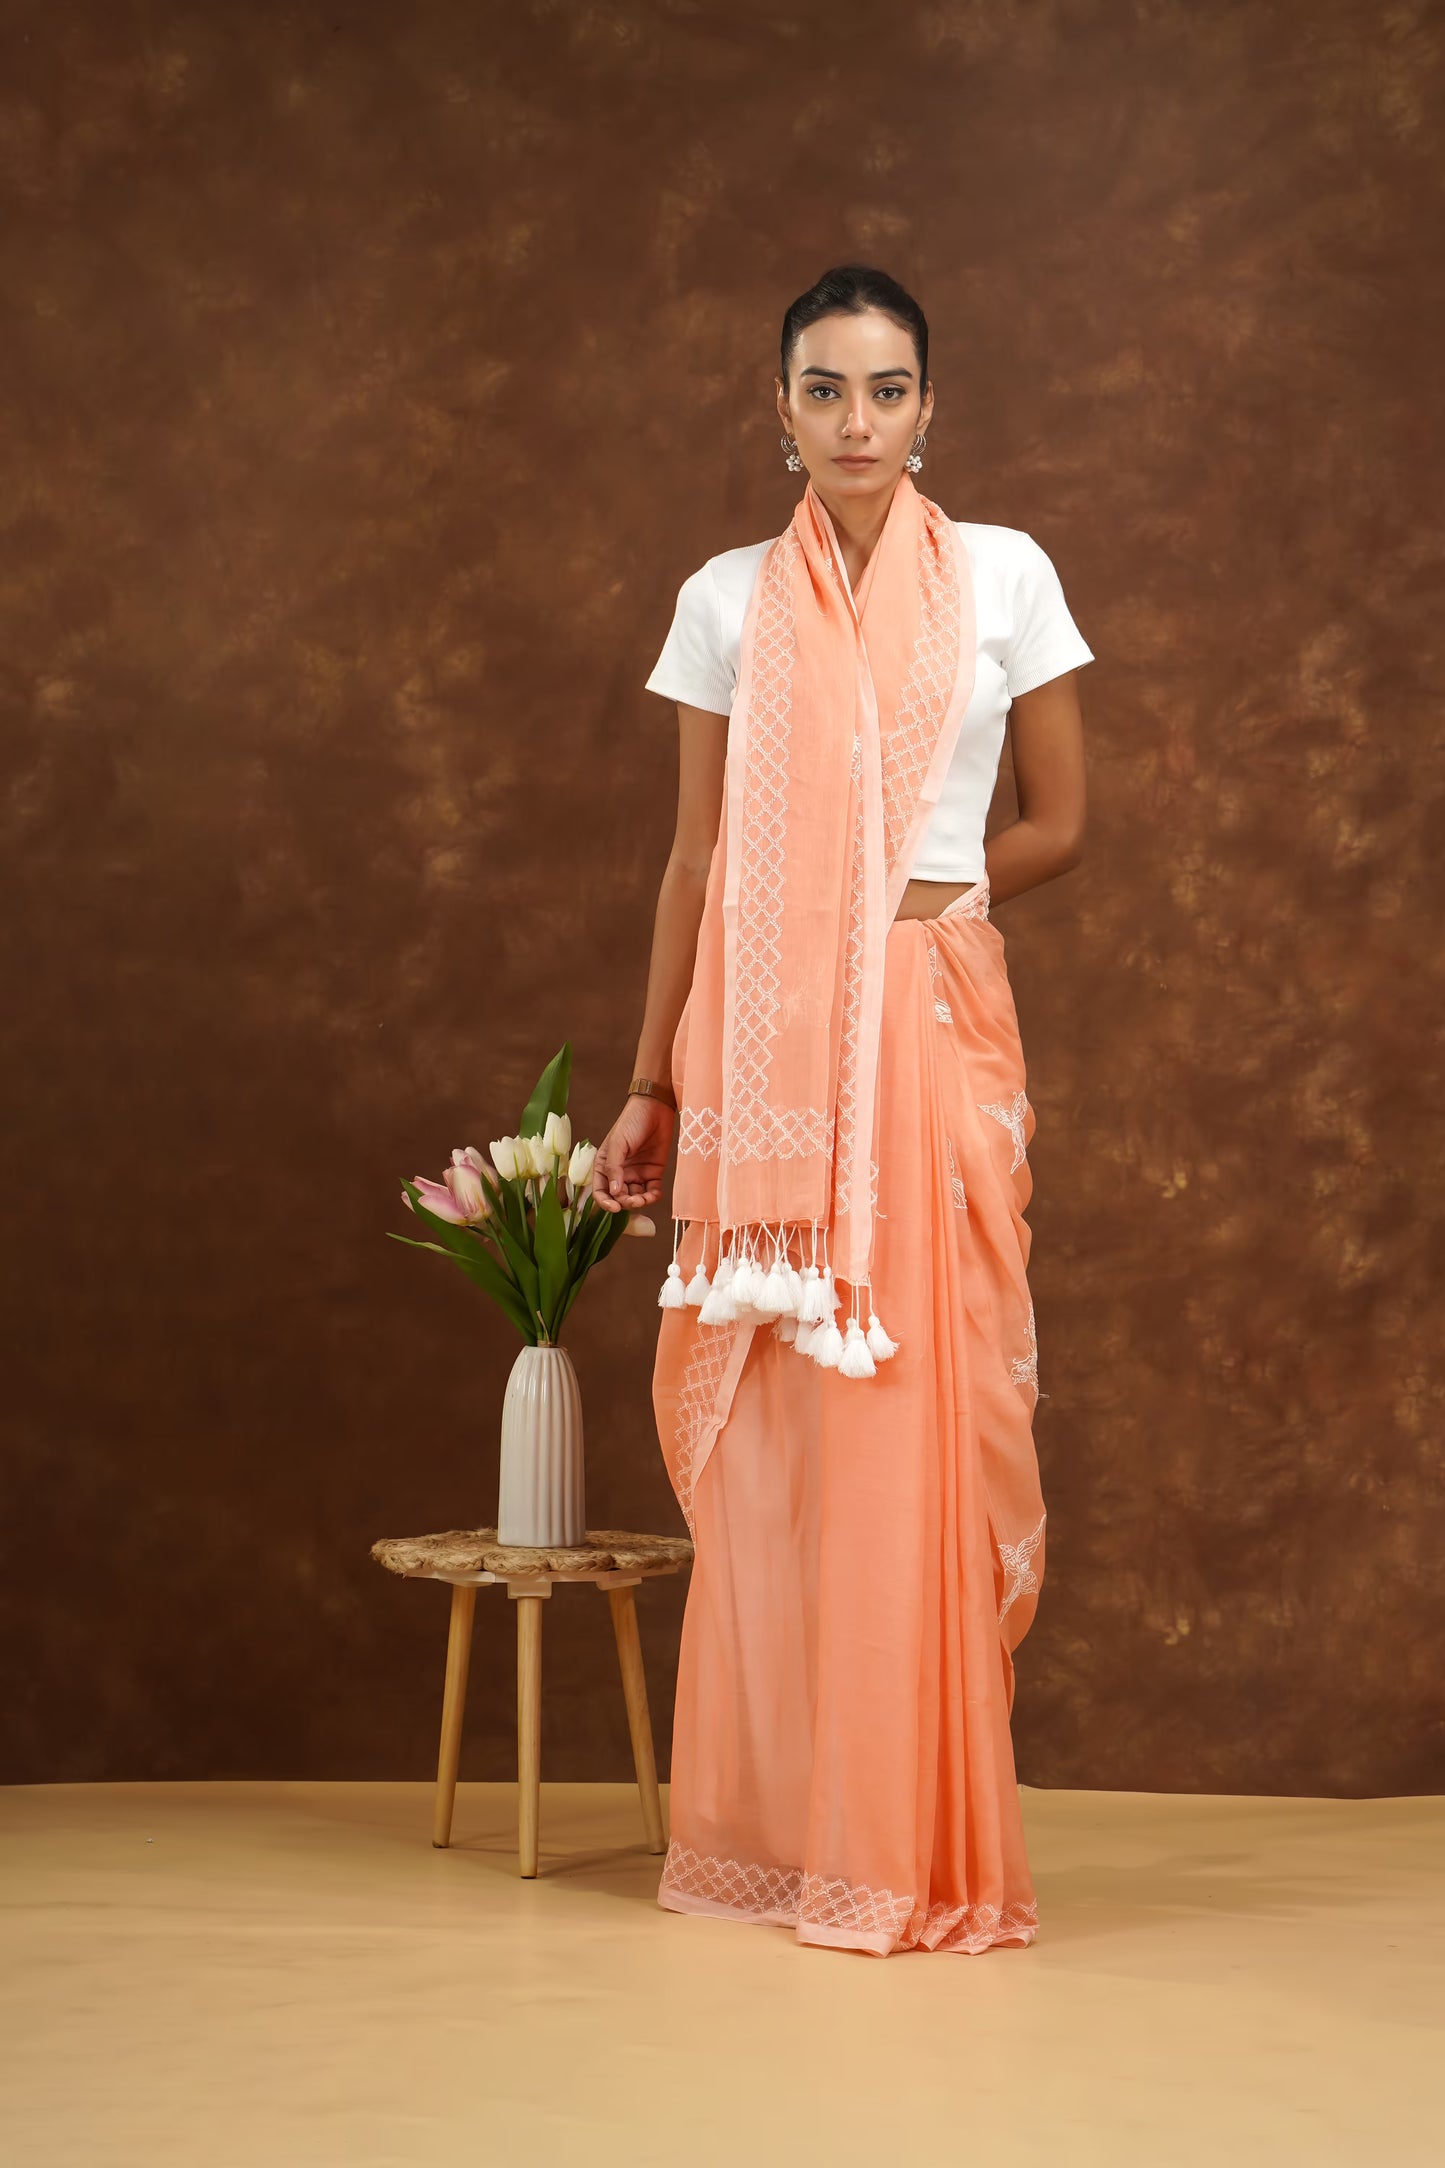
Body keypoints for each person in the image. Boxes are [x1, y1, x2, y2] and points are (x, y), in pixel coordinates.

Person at [591, 263, 1093, 1957]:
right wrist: (655, 1075)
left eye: (885, 391)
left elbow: (1059, 821)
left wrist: (909, 906)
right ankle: (785, 1835)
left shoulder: (1006, 576)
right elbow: (692, 859)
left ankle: (915, 1840)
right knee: (791, 1447)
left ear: (929, 407)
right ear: (778, 411)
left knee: (922, 1417)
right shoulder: (725, 600)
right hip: (763, 1053)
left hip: (928, 1024)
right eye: (824, 390)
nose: (855, 422)